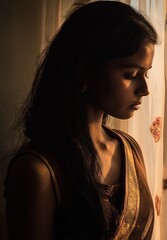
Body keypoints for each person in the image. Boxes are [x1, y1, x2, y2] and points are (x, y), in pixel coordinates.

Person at [3, 1, 158, 239]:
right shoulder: (39, 171)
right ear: (85, 71)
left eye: (146, 74)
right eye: (130, 74)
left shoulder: (129, 149)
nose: (144, 89)